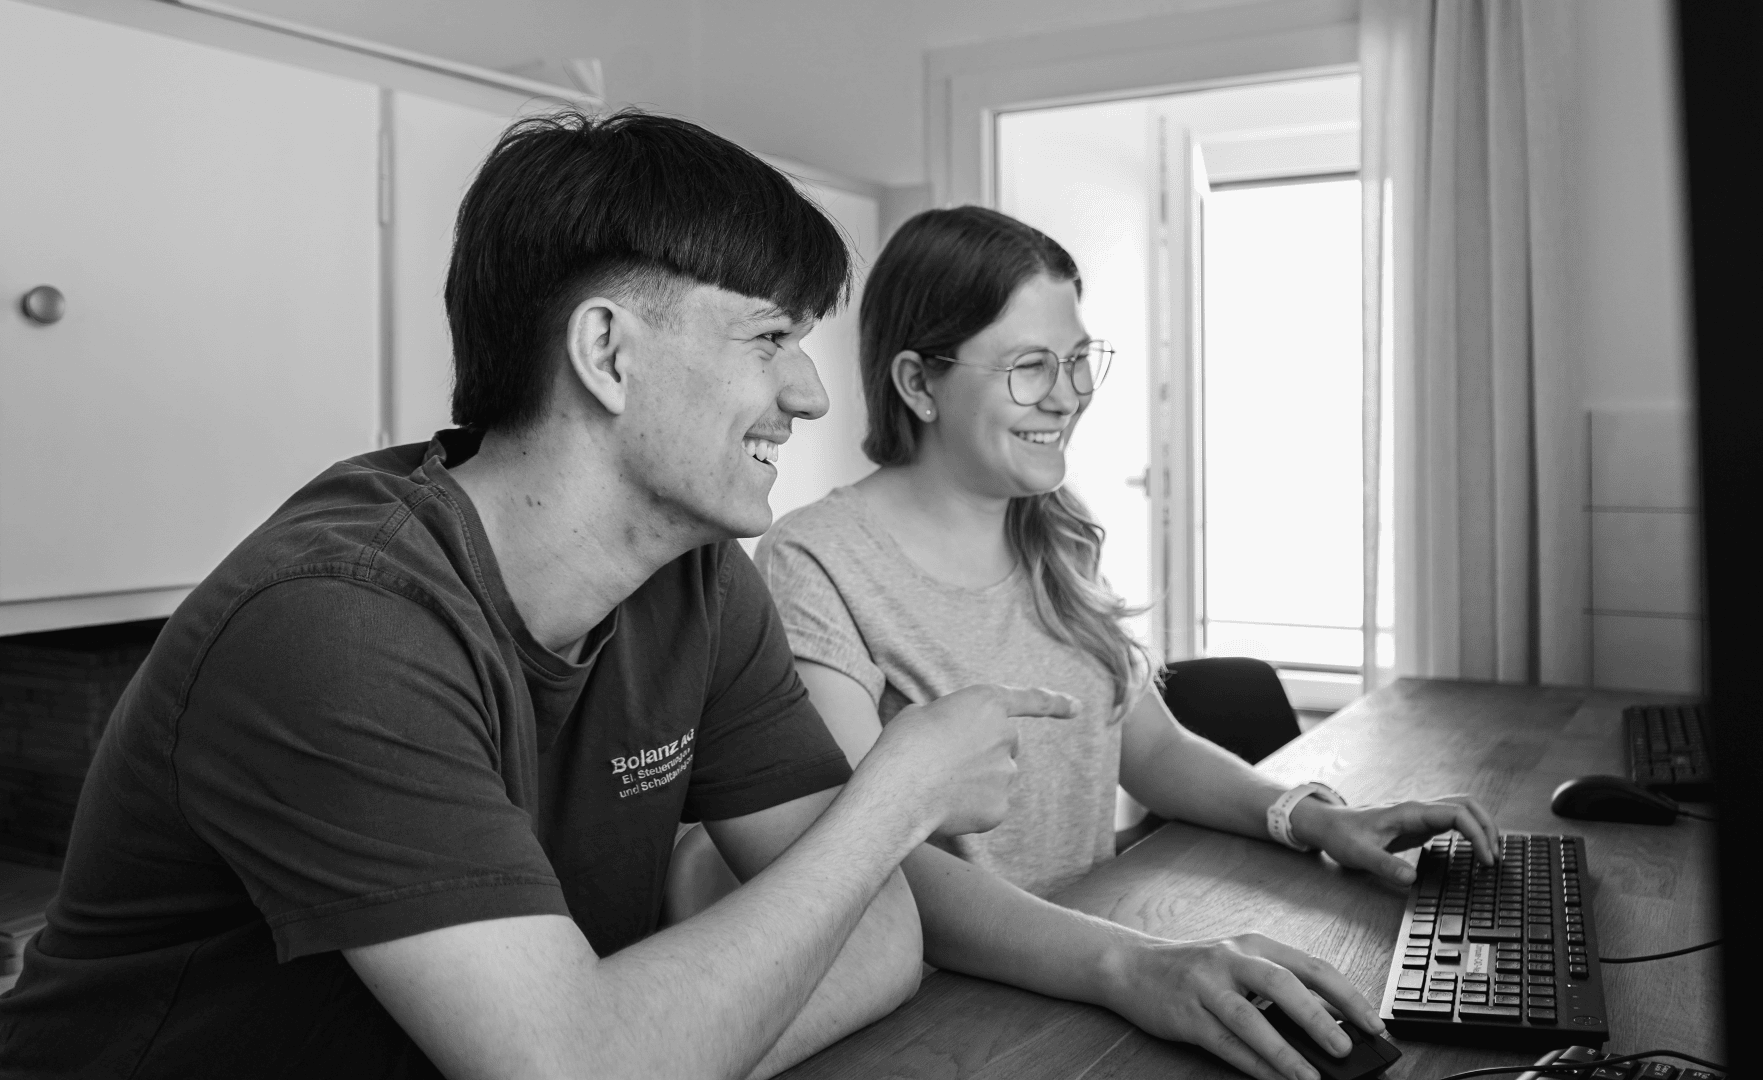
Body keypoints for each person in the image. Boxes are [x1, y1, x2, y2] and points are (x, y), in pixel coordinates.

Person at [0, 112, 1081, 1080]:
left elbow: (880, 935)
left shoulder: (699, 580)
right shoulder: (335, 624)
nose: (805, 393)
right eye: (770, 338)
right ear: (606, 352)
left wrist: (671, 1045)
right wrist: (899, 796)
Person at [755, 206, 1502, 1080]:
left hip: (1093, 967)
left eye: (1076, 361)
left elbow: (1149, 748)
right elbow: (871, 859)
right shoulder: (814, 560)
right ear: (919, 384)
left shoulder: (1056, 535)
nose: (1067, 394)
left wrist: (1313, 818)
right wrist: (1131, 964)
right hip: (949, 1017)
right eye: (1031, 367)